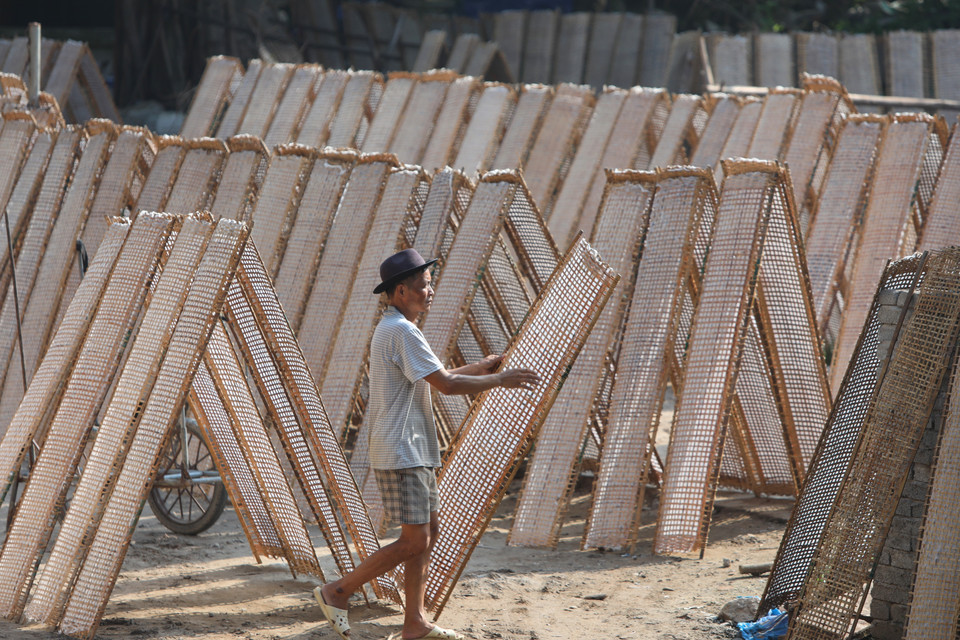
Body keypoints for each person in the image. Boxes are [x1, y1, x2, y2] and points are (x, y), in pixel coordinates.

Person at [315, 248, 540, 640]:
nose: (430, 290)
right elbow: (448, 386)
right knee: (414, 540)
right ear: (401, 291)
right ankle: (338, 591)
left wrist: (479, 369)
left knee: (425, 535)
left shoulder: (397, 327)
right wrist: (499, 381)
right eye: (424, 284)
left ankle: (415, 622)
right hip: (403, 450)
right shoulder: (401, 331)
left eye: (430, 283)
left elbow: (438, 376)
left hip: (410, 448)